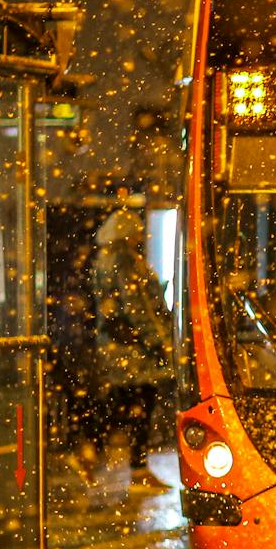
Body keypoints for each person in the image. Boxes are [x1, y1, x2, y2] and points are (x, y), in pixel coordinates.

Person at [89, 207, 175, 488]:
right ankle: (137, 467)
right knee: (140, 403)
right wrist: (159, 341)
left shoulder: (102, 261)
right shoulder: (126, 262)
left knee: (118, 403)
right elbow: (139, 307)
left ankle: (92, 450)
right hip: (134, 350)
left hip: (115, 346)